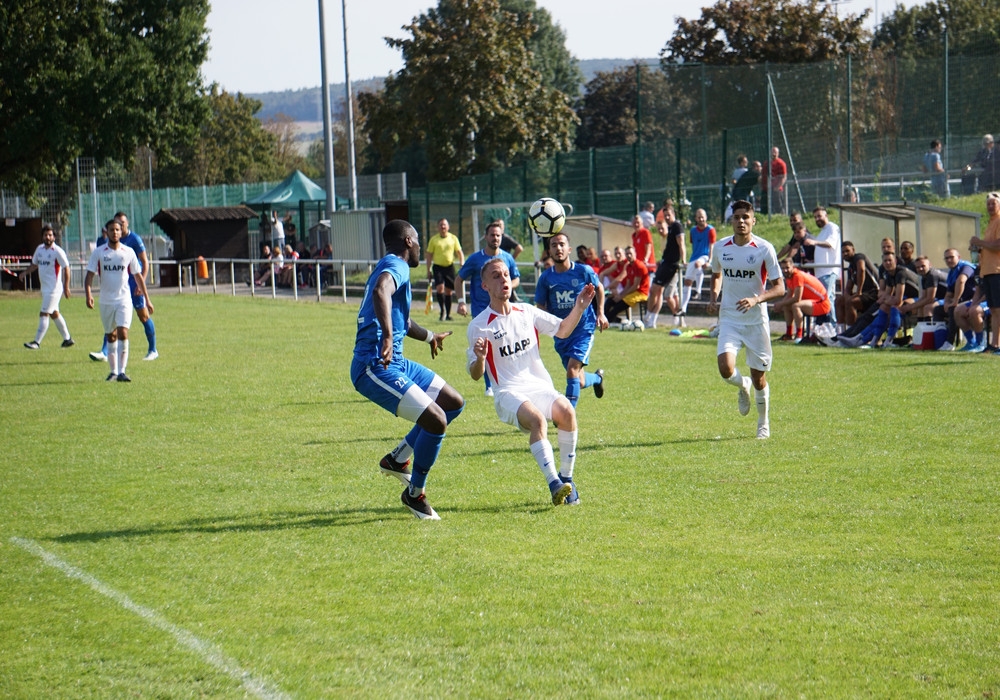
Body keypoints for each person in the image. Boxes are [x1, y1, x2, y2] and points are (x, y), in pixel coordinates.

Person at [351, 219, 465, 521]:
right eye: (418, 239)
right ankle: (415, 494)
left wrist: (430, 336)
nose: (419, 244)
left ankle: (398, 458)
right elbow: (380, 292)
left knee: (452, 403)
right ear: (409, 242)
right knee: (436, 420)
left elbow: (402, 320)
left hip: (397, 361)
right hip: (375, 364)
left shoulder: (390, 265)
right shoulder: (397, 265)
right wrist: (387, 337)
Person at [467, 257, 596, 506]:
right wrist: (480, 359)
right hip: (507, 392)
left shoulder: (526, 311)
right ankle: (554, 484)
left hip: (538, 385)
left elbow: (562, 330)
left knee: (567, 412)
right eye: (496, 276)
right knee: (537, 420)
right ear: (484, 286)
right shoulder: (479, 325)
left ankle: (567, 479)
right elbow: (474, 373)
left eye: (505, 274)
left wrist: (579, 307)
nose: (503, 279)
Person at [707, 200, 784, 440]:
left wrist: (757, 299)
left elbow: (780, 288)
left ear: (753, 221)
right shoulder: (720, 248)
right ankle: (742, 386)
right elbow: (717, 274)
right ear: (731, 221)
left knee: (760, 378)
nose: (741, 221)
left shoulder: (764, 248)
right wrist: (714, 296)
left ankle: (763, 423)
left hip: (755, 321)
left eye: (745, 217)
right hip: (729, 317)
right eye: (737, 217)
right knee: (725, 368)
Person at [535, 232, 609, 406]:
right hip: (561, 333)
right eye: (554, 245)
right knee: (579, 380)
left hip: (583, 330)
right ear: (549, 251)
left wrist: (600, 312)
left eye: (561, 244)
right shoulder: (546, 278)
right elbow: (541, 305)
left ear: (569, 249)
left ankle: (567, 417)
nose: (558, 248)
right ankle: (597, 378)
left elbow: (599, 288)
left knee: (572, 371)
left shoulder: (583, 271)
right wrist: (547, 325)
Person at [84, 218, 153, 382]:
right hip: (106, 301)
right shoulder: (100, 252)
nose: (114, 232)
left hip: (124, 300)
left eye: (117, 229)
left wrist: (147, 299)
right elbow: (89, 275)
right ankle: (113, 372)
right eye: (111, 230)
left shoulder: (128, 252)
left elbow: (138, 276)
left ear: (121, 231)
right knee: (111, 336)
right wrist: (88, 294)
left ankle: (122, 371)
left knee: (123, 332)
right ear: (106, 232)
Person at [456, 222, 521, 396]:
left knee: (505, 344)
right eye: (492, 235)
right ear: (486, 237)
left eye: (498, 235)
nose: (495, 238)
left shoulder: (507, 258)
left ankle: (509, 379)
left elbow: (516, 279)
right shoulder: (476, 259)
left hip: (502, 310)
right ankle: (489, 385)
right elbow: (459, 279)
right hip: (480, 311)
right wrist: (461, 301)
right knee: (485, 347)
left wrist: (508, 285)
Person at [840, 251, 919, 349]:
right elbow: (885, 294)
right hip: (906, 298)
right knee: (883, 307)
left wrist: (884, 300)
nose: (887, 263)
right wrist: (884, 300)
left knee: (895, 307)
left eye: (890, 260)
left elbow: (897, 300)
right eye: (885, 261)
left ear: (895, 261)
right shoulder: (890, 274)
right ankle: (868, 340)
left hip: (918, 298)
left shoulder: (901, 273)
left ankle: (885, 341)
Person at [19, 224, 75, 350]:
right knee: (54, 313)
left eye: (50, 235)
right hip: (45, 289)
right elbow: (34, 264)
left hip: (54, 289)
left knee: (44, 313)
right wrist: (25, 272)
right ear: (42, 237)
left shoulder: (57, 251)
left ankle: (36, 342)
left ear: (54, 237)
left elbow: (66, 268)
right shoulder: (39, 249)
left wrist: (66, 287)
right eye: (45, 235)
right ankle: (67, 339)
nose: (48, 237)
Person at [771, 257, 831, 342]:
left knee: (796, 306)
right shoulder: (789, 277)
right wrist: (781, 304)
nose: (785, 270)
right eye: (783, 268)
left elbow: (796, 298)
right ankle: (789, 334)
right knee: (786, 307)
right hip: (812, 302)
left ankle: (799, 336)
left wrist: (781, 303)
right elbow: (789, 294)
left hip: (822, 304)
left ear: (793, 267)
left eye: (787, 268)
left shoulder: (798, 276)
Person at [969, 191, 1000, 353]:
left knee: (998, 309)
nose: (990, 206)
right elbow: (990, 247)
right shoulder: (990, 223)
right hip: (987, 271)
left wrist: (980, 242)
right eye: (988, 203)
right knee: (994, 309)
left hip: (997, 271)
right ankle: (994, 344)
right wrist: (978, 249)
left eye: (993, 203)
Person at [645, 211, 686, 329]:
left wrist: (683, 260)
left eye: (662, 228)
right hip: (665, 264)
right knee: (660, 292)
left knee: (665, 294)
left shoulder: (676, 227)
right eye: (658, 229)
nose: (660, 230)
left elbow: (681, 244)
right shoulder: (667, 235)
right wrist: (661, 260)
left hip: (672, 266)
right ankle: (652, 319)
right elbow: (668, 250)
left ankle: (677, 317)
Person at [802, 206, 841, 325]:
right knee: (828, 299)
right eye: (815, 217)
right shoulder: (823, 232)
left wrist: (814, 242)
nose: (817, 219)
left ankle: (831, 326)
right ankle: (829, 326)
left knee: (826, 300)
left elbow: (830, 244)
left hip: (828, 271)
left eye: (819, 216)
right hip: (821, 272)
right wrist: (812, 263)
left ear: (826, 215)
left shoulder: (832, 228)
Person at [425, 218, 465, 321]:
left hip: (449, 267)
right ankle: (442, 311)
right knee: (440, 288)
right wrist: (428, 269)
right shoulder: (434, 240)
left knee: (448, 291)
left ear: (448, 227)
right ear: (438, 227)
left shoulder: (453, 238)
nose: (443, 227)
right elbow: (429, 255)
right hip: (438, 267)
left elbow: (460, 252)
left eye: (444, 225)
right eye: (441, 225)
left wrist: (462, 263)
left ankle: (448, 314)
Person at [679, 209, 716, 316]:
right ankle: (683, 308)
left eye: (702, 216)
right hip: (694, 257)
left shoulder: (710, 230)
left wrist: (709, 260)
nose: (701, 219)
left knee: (698, 264)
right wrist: (686, 260)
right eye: (698, 217)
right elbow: (693, 244)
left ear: (706, 217)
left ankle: (698, 291)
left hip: (705, 256)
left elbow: (711, 246)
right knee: (687, 282)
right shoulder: (693, 230)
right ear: (696, 218)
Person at [836, 241, 880, 328]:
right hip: (864, 295)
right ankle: (840, 332)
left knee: (851, 302)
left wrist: (859, 291)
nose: (845, 254)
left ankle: (851, 333)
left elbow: (861, 270)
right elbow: (848, 287)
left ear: (853, 250)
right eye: (843, 252)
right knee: (839, 300)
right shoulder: (850, 268)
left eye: (847, 251)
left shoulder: (859, 257)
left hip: (875, 293)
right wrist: (846, 296)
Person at [603, 246, 649, 325]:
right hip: (632, 291)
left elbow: (636, 286)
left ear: (635, 254)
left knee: (620, 303)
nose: (629, 256)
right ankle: (606, 319)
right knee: (611, 300)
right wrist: (620, 295)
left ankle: (607, 322)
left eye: (630, 253)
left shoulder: (639, 265)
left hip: (641, 292)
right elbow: (628, 285)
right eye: (627, 254)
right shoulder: (628, 266)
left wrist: (622, 296)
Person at [902, 255, 947, 322]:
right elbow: (924, 297)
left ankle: (930, 330)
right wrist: (912, 306)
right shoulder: (924, 277)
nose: (920, 269)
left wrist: (910, 307)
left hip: (950, 298)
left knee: (928, 307)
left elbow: (930, 299)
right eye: (917, 267)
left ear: (930, 265)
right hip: (941, 298)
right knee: (920, 307)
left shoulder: (932, 275)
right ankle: (921, 329)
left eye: (923, 266)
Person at [762, 147, 787, 215]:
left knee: (778, 206)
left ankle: (781, 218)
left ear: (778, 153)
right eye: (772, 152)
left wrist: (777, 187)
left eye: (775, 152)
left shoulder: (781, 163)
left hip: (776, 189)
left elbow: (783, 177)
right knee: (765, 206)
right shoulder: (766, 163)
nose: (773, 154)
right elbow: (763, 176)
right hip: (766, 189)